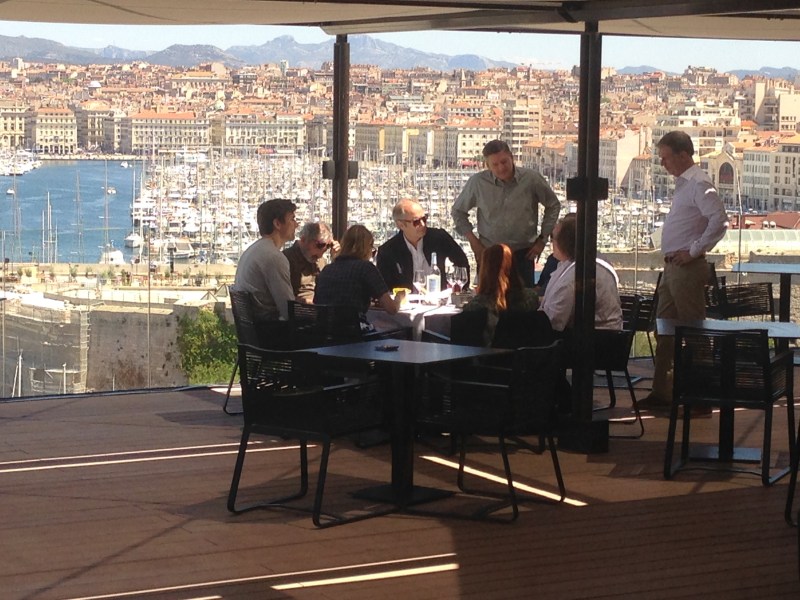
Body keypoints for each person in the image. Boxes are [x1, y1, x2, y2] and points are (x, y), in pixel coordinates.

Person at [642, 131, 728, 407]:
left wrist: (693, 251)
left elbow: (719, 221)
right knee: (664, 330)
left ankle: (700, 399)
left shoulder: (699, 184)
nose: (663, 163)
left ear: (682, 155)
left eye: (666, 158)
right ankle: (662, 392)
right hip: (673, 268)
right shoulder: (685, 185)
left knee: (693, 331)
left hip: (686, 269)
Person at [452, 139, 561, 286]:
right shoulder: (478, 183)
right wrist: (473, 241)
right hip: (490, 254)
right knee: (489, 304)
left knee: (523, 305)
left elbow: (553, 205)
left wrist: (543, 239)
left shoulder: (531, 179)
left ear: (512, 157)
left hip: (523, 255)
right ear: (487, 165)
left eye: (504, 162)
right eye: (495, 165)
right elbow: (458, 211)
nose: (501, 168)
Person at [538, 214, 623, 333]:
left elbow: (553, 322)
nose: (551, 242)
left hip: (594, 342)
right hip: (604, 337)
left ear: (563, 242)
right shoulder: (589, 262)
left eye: (553, 237)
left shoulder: (575, 275)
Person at [232, 198, 298, 343]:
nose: (297, 225)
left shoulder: (253, 250)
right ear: (277, 224)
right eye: (292, 219)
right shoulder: (273, 257)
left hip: (253, 338)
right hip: (271, 337)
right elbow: (288, 312)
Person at [314, 224, 403, 330]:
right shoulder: (366, 268)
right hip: (355, 333)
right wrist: (399, 298)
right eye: (372, 249)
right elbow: (391, 309)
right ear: (367, 248)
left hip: (325, 332)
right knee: (398, 329)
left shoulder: (327, 269)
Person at [376, 198, 470, 291]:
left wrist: (459, 290)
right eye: (416, 221)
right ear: (401, 225)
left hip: (439, 301)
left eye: (424, 219)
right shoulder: (387, 251)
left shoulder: (439, 238)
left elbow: (462, 262)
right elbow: (384, 287)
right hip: (406, 304)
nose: (422, 224)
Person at [461, 243, 540, 345]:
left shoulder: (476, 306)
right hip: (525, 357)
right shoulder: (531, 299)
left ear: (485, 270)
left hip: (489, 357)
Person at [283, 221, 338, 303]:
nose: (320, 255)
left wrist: (336, 259)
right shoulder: (286, 259)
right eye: (319, 245)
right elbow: (282, 297)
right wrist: (308, 302)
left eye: (327, 246)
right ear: (303, 240)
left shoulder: (321, 261)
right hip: (300, 310)